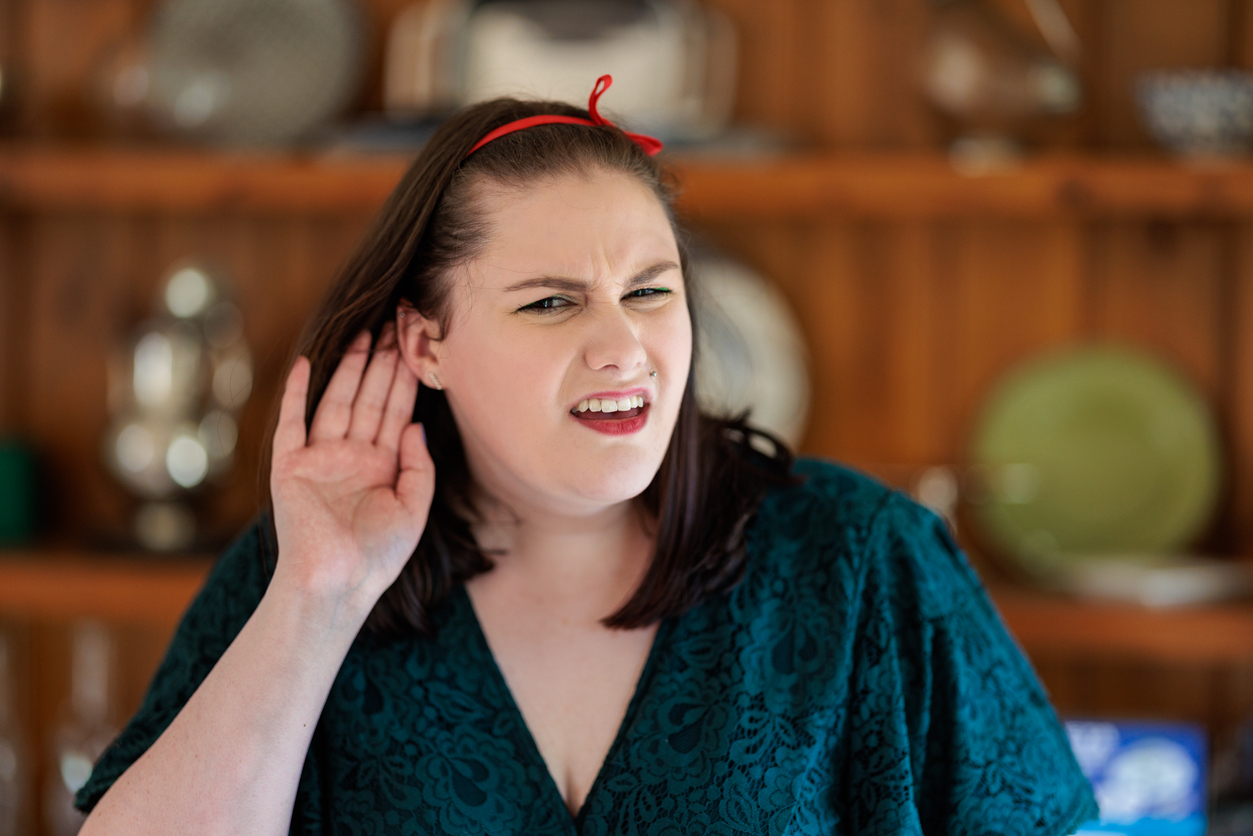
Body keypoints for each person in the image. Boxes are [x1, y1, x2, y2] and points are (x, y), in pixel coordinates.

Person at [75, 76, 1097, 835]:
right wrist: (318, 598)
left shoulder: (866, 559)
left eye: (649, 291)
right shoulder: (303, 569)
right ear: (426, 344)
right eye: (551, 302)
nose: (623, 346)